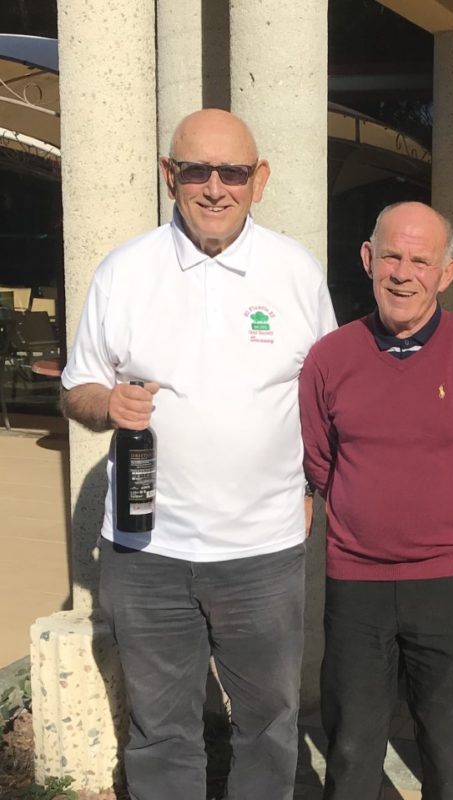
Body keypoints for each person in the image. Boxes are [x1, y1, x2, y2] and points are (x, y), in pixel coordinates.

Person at [60, 109, 337, 799]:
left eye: (233, 172)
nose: (215, 188)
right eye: (195, 170)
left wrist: (312, 490)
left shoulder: (295, 272)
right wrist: (106, 406)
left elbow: (326, 396)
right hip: (145, 554)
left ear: (259, 180)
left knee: (270, 728)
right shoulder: (125, 271)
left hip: (263, 555)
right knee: (161, 734)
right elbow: (78, 386)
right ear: (169, 175)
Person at [299, 201, 453, 800]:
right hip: (356, 584)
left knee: (451, 758)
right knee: (350, 752)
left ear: (447, 274)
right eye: (391, 256)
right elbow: (320, 463)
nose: (403, 272)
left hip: (451, 583)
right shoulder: (330, 359)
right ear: (368, 260)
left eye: (421, 260)